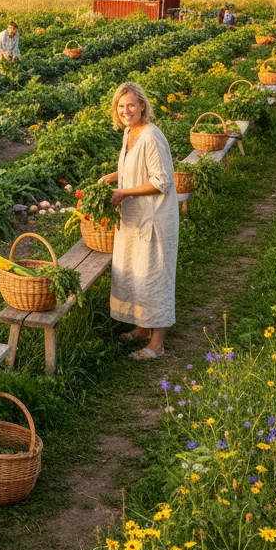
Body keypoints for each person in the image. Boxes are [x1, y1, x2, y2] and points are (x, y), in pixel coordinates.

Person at [100, 82, 178, 360]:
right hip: (136, 216)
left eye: (131, 105)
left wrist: (122, 192)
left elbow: (162, 181)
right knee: (141, 272)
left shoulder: (151, 135)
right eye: (121, 106)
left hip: (154, 217)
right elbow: (136, 167)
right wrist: (115, 176)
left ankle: (157, 343)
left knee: (156, 275)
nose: (126, 110)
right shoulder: (129, 133)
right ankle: (142, 329)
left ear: (142, 106)